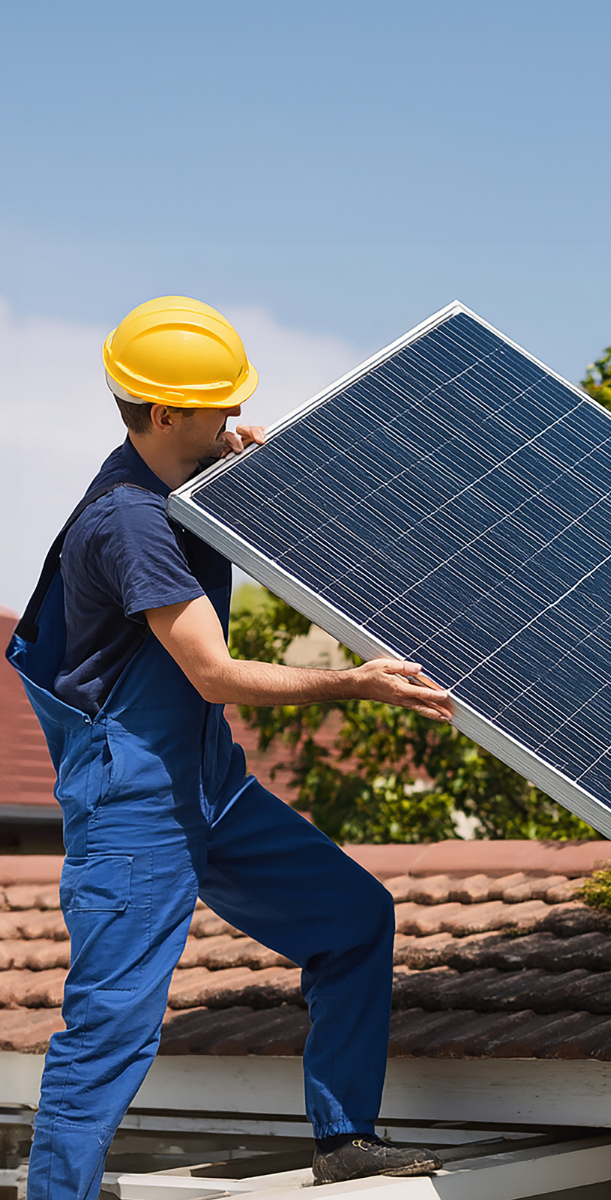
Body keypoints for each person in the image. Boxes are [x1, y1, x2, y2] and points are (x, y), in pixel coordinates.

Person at [6, 296, 458, 1200]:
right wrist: (353, 680)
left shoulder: (179, 477)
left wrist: (249, 473)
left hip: (205, 785)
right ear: (164, 412)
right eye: (216, 406)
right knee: (111, 1033)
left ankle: (345, 1135)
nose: (233, 418)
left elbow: (223, 498)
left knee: (354, 918)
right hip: (135, 804)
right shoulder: (126, 520)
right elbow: (210, 674)